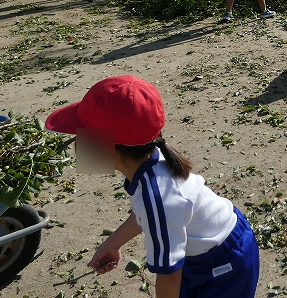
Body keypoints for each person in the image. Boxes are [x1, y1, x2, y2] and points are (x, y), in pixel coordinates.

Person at [45, 75, 260, 298]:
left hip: (225, 263)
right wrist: (113, 243)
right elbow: (145, 213)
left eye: (80, 135)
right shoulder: (149, 162)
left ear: (110, 147)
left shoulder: (159, 198)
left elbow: (169, 275)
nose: (77, 145)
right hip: (207, 248)